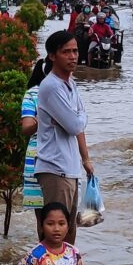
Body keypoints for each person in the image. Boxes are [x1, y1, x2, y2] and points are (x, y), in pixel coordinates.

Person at [34, 30, 94, 244]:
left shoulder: (71, 83)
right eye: (66, 52)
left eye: (75, 51)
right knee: (54, 238)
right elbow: (75, 124)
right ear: (52, 56)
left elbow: (77, 127)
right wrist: (79, 115)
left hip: (69, 170)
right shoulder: (51, 87)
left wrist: (86, 160)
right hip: (55, 170)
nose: (73, 56)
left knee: (69, 239)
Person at [19, 59, 48, 229]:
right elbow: (27, 127)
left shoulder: (69, 89)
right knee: (45, 217)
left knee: (47, 219)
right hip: (37, 158)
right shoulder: (32, 94)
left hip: (39, 157)